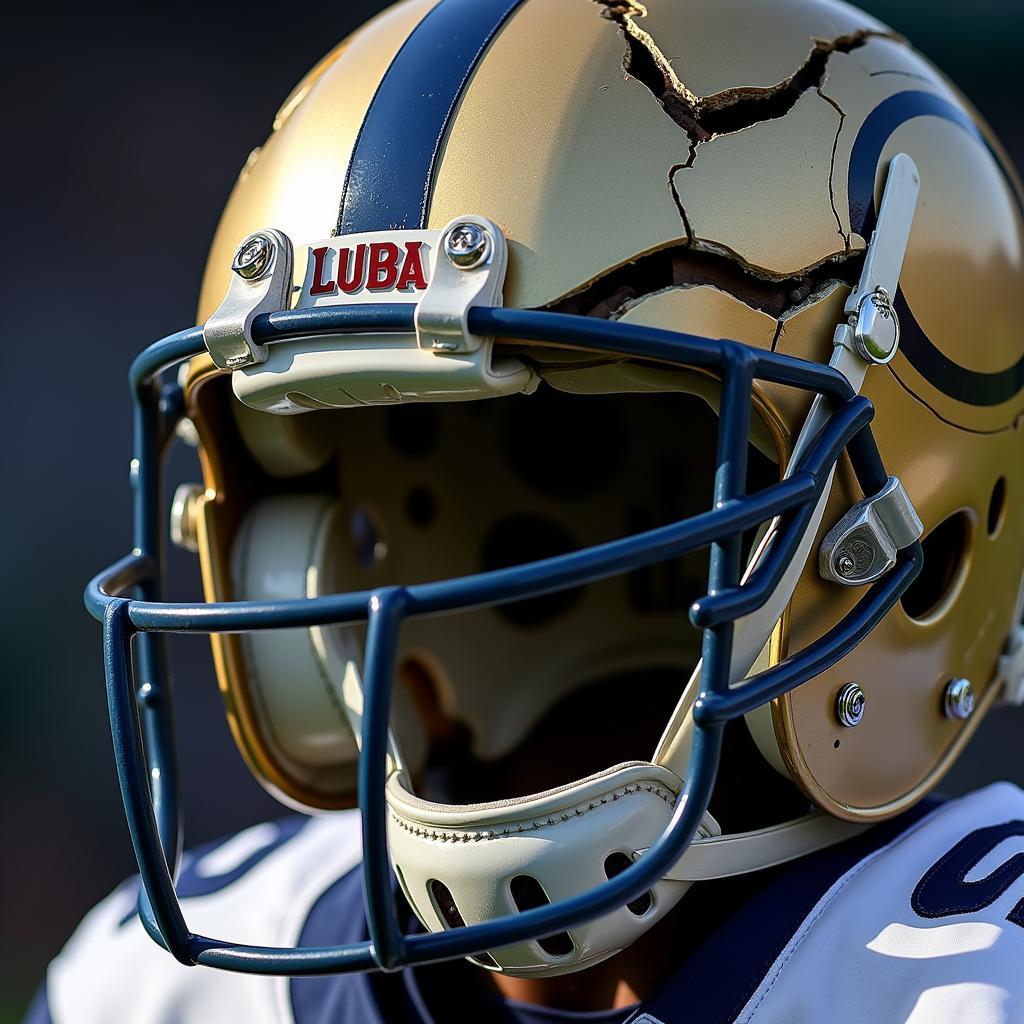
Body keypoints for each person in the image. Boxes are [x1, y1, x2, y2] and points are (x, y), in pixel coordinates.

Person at [28, 1, 1024, 1021]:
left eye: (649, 437)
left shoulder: (964, 975)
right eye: (395, 436)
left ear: (924, 534)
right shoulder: (161, 985)